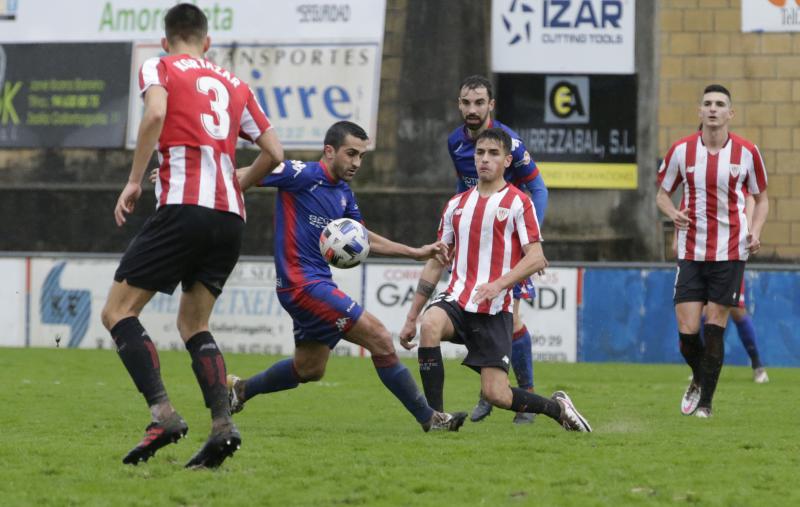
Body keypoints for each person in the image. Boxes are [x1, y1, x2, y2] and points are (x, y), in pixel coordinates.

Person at [100, 3, 283, 468]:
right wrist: (237, 182)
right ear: (207, 42)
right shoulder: (234, 83)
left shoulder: (160, 66)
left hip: (183, 206)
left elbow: (155, 115)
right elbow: (274, 152)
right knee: (194, 325)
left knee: (118, 311)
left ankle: (163, 414)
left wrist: (135, 180)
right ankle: (222, 425)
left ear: (167, 40)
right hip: (230, 218)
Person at [226, 121, 468, 433]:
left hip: (315, 285)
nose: (356, 162)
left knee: (310, 368)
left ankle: (240, 390)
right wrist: (184, 182)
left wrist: (414, 251)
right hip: (303, 285)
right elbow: (241, 175)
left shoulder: (343, 194)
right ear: (329, 151)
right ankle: (430, 418)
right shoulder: (301, 174)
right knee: (380, 337)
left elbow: (365, 238)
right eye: (351, 153)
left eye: (362, 156)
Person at [399, 128, 592, 432]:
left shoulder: (519, 203)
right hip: (459, 299)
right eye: (479, 153)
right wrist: (412, 317)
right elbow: (438, 261)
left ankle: (558, 409)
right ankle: (436, 418)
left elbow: (536, 257)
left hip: (495, 308)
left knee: (496, 394)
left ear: (506, 161)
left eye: (493, 154)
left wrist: (499, 284)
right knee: (430, 324)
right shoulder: (456, 205)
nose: (485, 159)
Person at [429, 74, 550, 424]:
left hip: (509, 240)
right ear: (458, 104)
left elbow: (538, 188)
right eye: (466, 102)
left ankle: (521, 392)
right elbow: (463, 184)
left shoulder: (509, 141)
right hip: (476, 239)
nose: (472, 109)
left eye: (479, 102)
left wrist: (531, 240)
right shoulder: (455, 142)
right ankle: (491, 390)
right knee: (472, 310)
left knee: (510, 319)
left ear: (491, 105)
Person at [657, 84, 769, 418]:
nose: (713, 109)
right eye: (707, 103)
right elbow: (662, 193)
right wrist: (672, 213)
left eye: (720, 104)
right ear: (700, 111)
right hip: (691, 250)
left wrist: (756, 231)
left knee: (715, 322)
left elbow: (761, 198)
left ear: (730, 113)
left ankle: (705, 404)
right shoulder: (681, 151)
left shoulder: (747, 153)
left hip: (731, 250)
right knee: (687, 332)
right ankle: (699, 375)